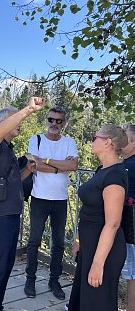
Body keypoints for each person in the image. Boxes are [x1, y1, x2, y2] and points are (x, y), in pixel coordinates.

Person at [0, 97, 45, 311]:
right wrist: (28, 109)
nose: (20, 123)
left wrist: (27, 171)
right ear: (6, 123)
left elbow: (9, 181)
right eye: (16, 120)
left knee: (4, 267)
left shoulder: (8, 148)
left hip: (9, 214)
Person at [67, 125, 128, 311]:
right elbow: (89, 211)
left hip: (104, 253)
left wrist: (97, 263)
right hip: (90, 246)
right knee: (83, 301)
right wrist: (79, 240)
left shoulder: (115, 175)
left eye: (95, 137)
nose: (91, 141)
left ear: (108, 142)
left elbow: (113, 223)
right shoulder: (102, 169)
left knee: (97, 303)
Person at [24, 106, 78, 300]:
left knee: (59, 243)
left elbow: (73, 166)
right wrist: (59, 166)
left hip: (60, 200)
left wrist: (46, 160)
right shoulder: (35, 139)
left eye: (59, 121)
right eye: (51, 120)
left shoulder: (69, 142)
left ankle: (54, 280)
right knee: (34, 241)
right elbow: (33, 165)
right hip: (39, 198)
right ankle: (30, 279)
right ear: (46, 120)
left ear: (64, 123)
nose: (54, 124)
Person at [121, 125, 135, 311]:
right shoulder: (124, 165)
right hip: (126, 227)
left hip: (130, 228)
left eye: (125, 138)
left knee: (132, 274)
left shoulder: (129, 167)